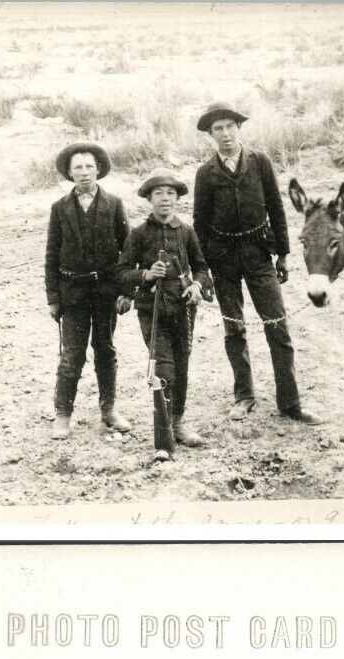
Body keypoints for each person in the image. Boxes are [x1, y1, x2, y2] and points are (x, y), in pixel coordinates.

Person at [192, 101, 320, 424]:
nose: (225, 135)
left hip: (259, 253)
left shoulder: (260, 162)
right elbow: (200, 223)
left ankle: (290, 403)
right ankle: (244, 395)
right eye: (217, 130)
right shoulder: (204, 174)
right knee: (233, 329)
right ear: (210, 135)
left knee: (277, 325)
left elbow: (276, 209)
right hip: (222, 259)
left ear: (239, 129)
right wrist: (202, 270)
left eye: (230, 127)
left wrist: (285, 254)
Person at [116, 169, 214, 463]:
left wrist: (197, 285)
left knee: (182, 367)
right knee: (163, 370)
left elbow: (202, 268)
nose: (165, 199)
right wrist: (145, 274)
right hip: (153, 310)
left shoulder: (186, 232)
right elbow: (120, 273)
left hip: (183, 309)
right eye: (159, 194)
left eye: (170, 194)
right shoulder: (138, 234)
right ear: (149, 199)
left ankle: (179, 423)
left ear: (177, 199)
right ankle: (163, 438)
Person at [45, 141, 133, 440]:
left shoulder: (114, 204)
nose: (84, 172)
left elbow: (128, 252)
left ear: (98, 170)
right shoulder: (59, 209)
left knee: (105, 350)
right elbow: (51, 256)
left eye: (89, 166)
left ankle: (108, 410)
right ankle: (62, 414)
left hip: (106, 291)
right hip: (73, 293)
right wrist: (54, 299)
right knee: (71, 354)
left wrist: (127, 291)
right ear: (69, 173)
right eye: (78, 167)